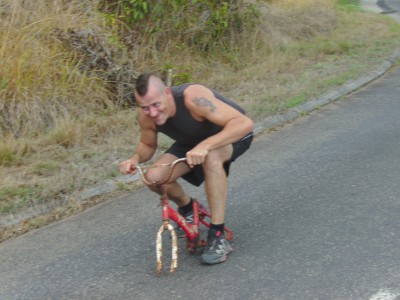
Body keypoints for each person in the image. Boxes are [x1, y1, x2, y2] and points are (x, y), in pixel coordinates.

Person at [119, 73, 254, 265]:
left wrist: (206, 146)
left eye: (156, 104)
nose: (152, 112)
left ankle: (217, 235)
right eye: (145, 107)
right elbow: (147, 145)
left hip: (231, 135)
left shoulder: (193, 97)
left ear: (167, 93)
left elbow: (244, 124)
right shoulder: (147, 114)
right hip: (193, 144)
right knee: (154, 177)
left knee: (212, 158)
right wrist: (135, 158)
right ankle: (189, 208)